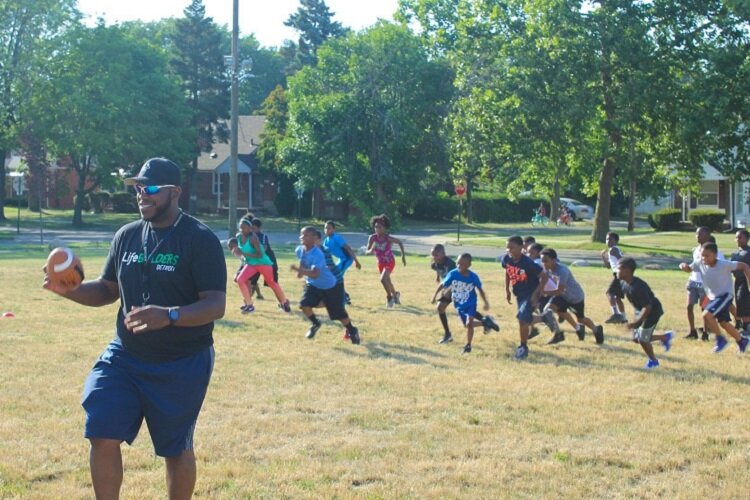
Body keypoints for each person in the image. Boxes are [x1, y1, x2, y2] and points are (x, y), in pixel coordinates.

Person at [42, 158, 227, 499]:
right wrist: (71, 290)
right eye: (139, 188)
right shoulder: (126, 235)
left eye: (151, 189)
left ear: (175, 193)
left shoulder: (199, 239)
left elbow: (215, 305)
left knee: (175, 449)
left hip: (181, 361)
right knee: (101, 430)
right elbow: (107, 290)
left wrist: (169, 315)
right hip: (125, 356)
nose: (142, 195)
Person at [292, 226, 361, 344]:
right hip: (314, 284)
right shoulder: (300, 250)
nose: (303, 237)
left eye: (307, 235)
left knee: (338, 313)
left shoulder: (320, 253)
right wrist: (301, 271)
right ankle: (315, 323)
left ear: (315, 239)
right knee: (304, 305)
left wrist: (302, 271)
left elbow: (316, 272)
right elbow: (304, 263)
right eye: (302, 235)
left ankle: (352, 330)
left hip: (332, 284)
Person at [679, 242, 750, 354]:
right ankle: (742, 341)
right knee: (724, 323)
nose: (704, 258)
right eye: (702, 255)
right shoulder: (700, 263)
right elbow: (689, 268)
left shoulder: (724, 264)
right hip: (713, 297)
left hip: (725, 296)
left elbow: (744, 266)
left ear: (715, 255)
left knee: (707, 314)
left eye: (707, 255)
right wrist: (683, 266)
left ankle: (720, 340)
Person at [430, 244, 498, 344]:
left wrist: (448, 291)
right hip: (449, 288)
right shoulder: (434, 264)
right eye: (433, 255)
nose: (434, 257)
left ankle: (485, 321)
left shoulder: (451, 264)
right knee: (441, 308)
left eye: (436, 255)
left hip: (457, 289)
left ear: (443, 254)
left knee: (462, 309)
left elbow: (456, 278)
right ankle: (486, 321)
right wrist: (437, 277)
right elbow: (440, 272)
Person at [536, 248, 605, 345]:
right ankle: (558, 334)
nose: (544, 264)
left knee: (581, 319)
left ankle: (596, 329)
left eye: (546, 261)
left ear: (554, 260)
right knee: (548, 310)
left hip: (575, 297)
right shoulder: (547, 269)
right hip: (562, 296)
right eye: (542, 261)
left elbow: (560, 289)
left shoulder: (562, 271)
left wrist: (544, 292)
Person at [617, 257, 674, 369]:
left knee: (643, 339)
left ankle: (653, 362)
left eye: (619, 268)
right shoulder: (624, 283)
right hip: (641, 310)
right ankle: (664, 337)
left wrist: (636, 322)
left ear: (627, 270)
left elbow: (648, 307)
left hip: (652, 312)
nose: (617, 270)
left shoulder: (638, 287)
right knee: (636, 338)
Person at [234, 216, 291, 314]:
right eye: (240, 227)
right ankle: (249, 305)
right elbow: (240, 251)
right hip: (251, 263)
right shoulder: (239, 236)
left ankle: (285, 303)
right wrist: (237, 252)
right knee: (240, 279)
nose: (241, 230)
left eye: (244, 228)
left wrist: (244, 254)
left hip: (263, 263)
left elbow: (260, 254)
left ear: (250, 228)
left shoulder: (253, 238)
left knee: (271, 283)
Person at [502, 235, 544, 360]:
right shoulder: (506, 259)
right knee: (522, 318)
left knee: (522, 319)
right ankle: (544, 318)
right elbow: (508, 271)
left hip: (529, 294)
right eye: (507, 248)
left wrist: (536, 295)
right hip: (518, 293)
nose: (509, 250)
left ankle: (523, 347)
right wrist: (507, 289)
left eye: (512, 248)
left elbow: (544, 277)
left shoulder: (528, 263)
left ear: (521, 248)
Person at [684, 226, 723, 340]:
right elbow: (694, 265)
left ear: (707, 235)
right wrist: (686, 267)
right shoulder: (696, 249)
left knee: (704, 309)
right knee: (689, 306)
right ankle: (692, 331)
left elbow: (720, 266)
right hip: (693, 282)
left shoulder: (715, 252)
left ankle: (705, 333)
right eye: (696, 234)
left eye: (700, 234)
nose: (697, 236)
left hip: (706, 285)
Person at [365, 214, 406, 308]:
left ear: (385, 228)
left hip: (389, 261)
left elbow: (399, 242)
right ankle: (396, 295)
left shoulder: (387, 238)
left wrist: (403, 256)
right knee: (387, 281)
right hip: (380, 263)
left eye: (379, 227)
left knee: (383, 279)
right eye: (375, 227)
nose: (377, 229)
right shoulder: (372, 238)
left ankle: (389, 298)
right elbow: (366, 252)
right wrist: (371, 250)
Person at [323, 220, 362, 305]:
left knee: (335, 277)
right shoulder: (326, 240)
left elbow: (348, 248)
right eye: (325, 228)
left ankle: (343, 297)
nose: (326, 230)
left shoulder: (337, 238)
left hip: (347, 259)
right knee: (336, 277)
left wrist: (356, 261)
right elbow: (323, 253)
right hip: (341, 259)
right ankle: (344, 296)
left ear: (334, 229)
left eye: (328, 228)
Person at [248, 218, 279, 301]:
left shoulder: (263, 237)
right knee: (250, 281)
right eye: (251, 228)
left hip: (268, 262)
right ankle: (248, 303)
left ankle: (283, 302)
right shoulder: (249, 237)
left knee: (273, 284)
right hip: (257, 262)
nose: (252, 230)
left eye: (253, 228)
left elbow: (263, 249)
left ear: (259, 228)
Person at [601, 232, 627, 324]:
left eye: (610, 239)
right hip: (621, 275)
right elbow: (608, 266)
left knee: (609, 293)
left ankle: (616, 315)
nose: (608, 241)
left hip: (619, 275)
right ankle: (623, 318)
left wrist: (622, 271)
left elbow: (622, 260)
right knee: (617, 298)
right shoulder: (611, 250)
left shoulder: (613, 250)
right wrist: (603, 257)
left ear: (616, 241)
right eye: (607, 239)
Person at [730, 229, 750, 334]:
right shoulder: (736, 253)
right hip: (737, 281)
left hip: (746, 282)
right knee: (739, 303)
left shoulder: (748, 252)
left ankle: (747, 327)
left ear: (747, 239)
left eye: (740, 237)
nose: (737, 239)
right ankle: (743, 325)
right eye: (736, 237)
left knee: (744, 302)